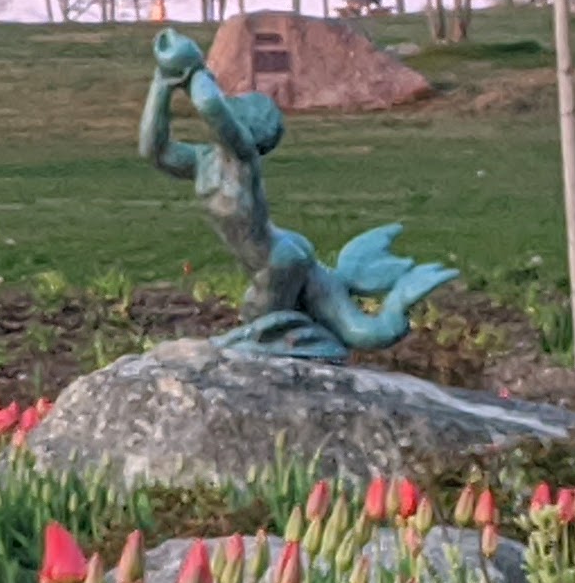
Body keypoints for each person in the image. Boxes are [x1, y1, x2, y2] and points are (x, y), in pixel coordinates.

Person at [139, 29, 453, 359]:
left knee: (263, 333)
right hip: (284, 251)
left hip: (279, 262)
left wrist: (194, 69)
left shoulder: (243, 161)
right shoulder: (204, 162)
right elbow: (153, 149)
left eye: (240, 110)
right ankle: (384, 299)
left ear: (249, 134)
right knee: (356, 330)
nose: (231, 107)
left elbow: (210, 105)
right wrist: (161, 83)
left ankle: (400, 298)